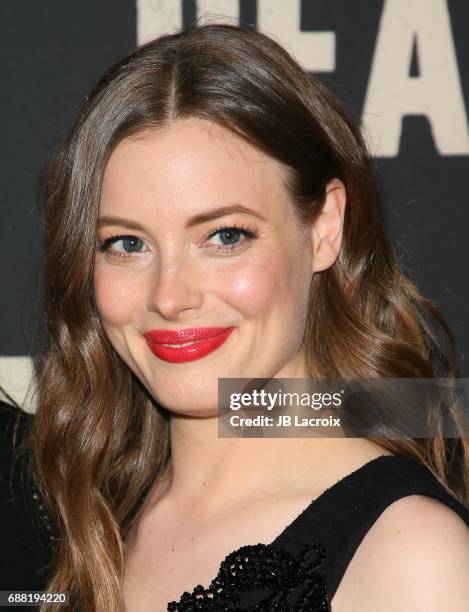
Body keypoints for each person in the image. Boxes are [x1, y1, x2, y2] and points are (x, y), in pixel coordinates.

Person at [1, 22, 468, 612]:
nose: (170, 297)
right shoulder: (71, 516)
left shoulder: (410, 557)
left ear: (325, 227)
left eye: (225, 235)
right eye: (126, 244)